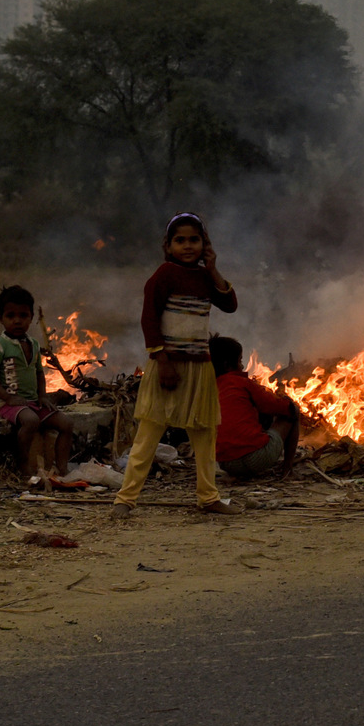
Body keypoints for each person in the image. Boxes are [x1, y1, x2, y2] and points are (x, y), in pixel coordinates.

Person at [111, 213, 242, 518]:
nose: (187, 246)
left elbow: (230, 304)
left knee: (205, 434)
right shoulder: (164, 275)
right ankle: (125, 499)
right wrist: (162, 360)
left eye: (194, 240)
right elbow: (150, 320)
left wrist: (213, 268)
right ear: (168, 245)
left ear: (204, 244)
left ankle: (208, 496)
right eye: (179, 240)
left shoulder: (206, 277)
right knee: (148, 434)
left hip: (200, 367)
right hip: (167, 365)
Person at [0, 285, 75, 480]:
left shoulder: (33, 344)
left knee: (66, 424)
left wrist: (42, 396)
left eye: (23, 316)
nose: (17, 321)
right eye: (10, 315)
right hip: (9, 404)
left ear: (31, 317)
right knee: (31, 421)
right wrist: (7, 397)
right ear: (1, 318)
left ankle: (62, 468)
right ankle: (24, 465)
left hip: (33, 402)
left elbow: (39, 373)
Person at [210, 336, 299, 480]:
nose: (242, 366)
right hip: (256, 459)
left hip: (226, 463)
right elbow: (274, 405)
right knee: (293, 412)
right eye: (240, 361)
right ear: (227, 365)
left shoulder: (210, 388)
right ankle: (288, 471)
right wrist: (288, 404)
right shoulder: (241, 382)